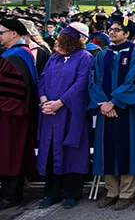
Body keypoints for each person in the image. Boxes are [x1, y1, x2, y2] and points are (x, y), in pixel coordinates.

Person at [88, 15, 135, 211]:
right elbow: (93, 81)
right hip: (106, 111)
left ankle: (127, 193)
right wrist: (103, 104)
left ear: (127, 33)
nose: (111, 32)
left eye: (117, 29)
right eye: (111, 29)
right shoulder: (101, 55)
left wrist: (115, 102)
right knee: (106, 149)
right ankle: (111, 191)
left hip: (129, 112)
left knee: (130, 149)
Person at [36, 23, 93, 209]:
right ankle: (51, 192)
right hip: (50, 114)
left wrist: (59, 103)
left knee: (72, 152)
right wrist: (44, 101)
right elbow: (42, 79)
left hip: (71, 113)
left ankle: (71, 193)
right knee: (51, 151)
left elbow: (81, 84)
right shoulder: (54, 58)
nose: (56, 43)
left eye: (61, 40)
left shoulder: (84, 58)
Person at [0, 18, 39, 210]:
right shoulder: (20, 54)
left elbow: (12, 91)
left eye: (1, 33)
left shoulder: (14, 57)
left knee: (10, 155)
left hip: (12, 115)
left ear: (14, 33)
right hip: (15, 113)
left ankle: (11, 196)